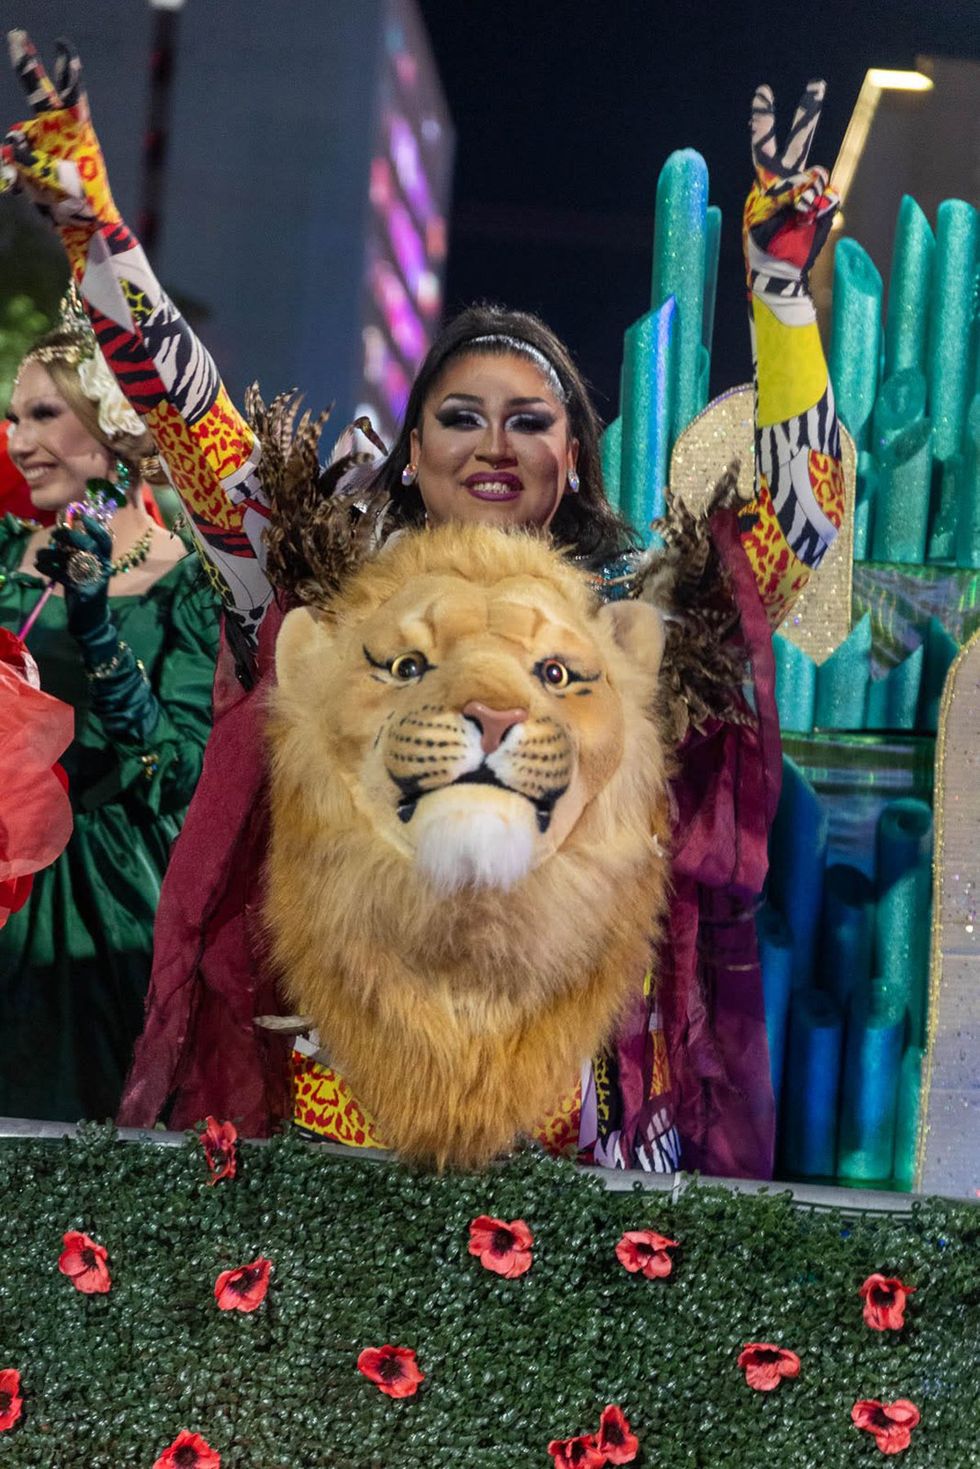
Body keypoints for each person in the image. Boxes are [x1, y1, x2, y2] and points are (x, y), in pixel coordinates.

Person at [0, 35, 842, 1175]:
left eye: (530, 419)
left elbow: (799, 522)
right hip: (339, 1101)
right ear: (410, 451)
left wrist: (782, 293)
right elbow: (193, 420)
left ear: (574, 460)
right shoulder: (327, 586)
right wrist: (90, 221)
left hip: (576, 1115)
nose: (494, 442)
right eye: (460, 415)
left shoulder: (625, 619)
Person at [0, 300, 220, 1122]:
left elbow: (179, 772)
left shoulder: (183, 585)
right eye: (14, 416)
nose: (20, 440)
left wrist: (96, 627)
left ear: (111, 425)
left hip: (104, 907)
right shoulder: (2, 551)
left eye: (44, 414)